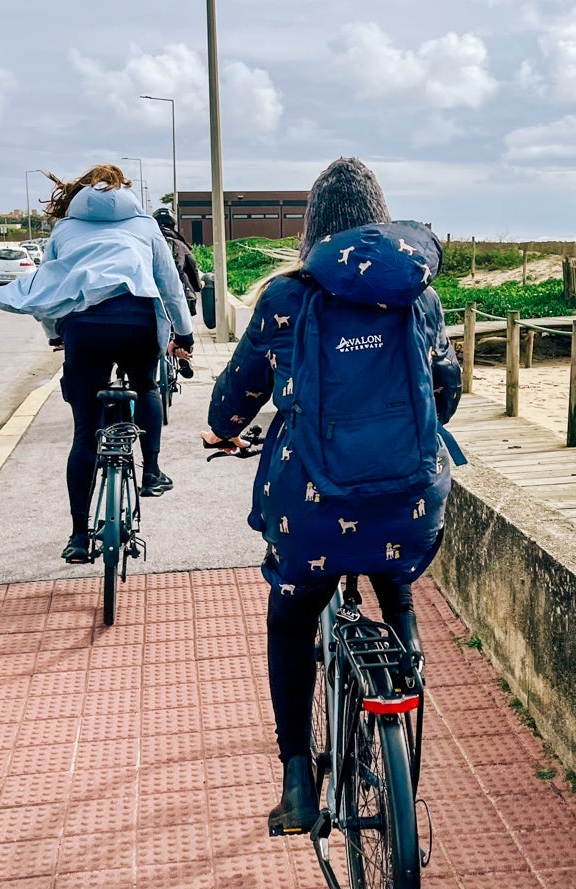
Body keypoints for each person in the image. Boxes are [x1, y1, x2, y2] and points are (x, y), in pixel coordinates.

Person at [205, 158, 462, 833]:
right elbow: (447, 392)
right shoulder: (419, 297)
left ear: (312, 230)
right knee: (394, 570)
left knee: (291, 620)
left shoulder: (285, 299)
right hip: (407, 507)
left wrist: (224, 428)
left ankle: (297, 780)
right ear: (382, 222)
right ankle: (405, 669)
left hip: (312, 514)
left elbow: (234, 401)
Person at [0, 164, 195, 564]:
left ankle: (79, 536)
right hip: (137, 321)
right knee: (146, 386)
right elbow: (169, 286)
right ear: (125, 191)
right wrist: (184, 334)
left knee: (85, 434)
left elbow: (49, 286)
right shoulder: (146, 226)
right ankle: (151, 472)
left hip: (84, 328)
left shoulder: (64, 230)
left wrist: (55, 334)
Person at [154, 207, 203, 379]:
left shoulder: (148, 242)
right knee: (181, 322)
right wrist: (198, 286)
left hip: (152, 297)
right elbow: (193, 271)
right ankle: (183, 356)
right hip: (182, 294)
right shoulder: (180, 244)